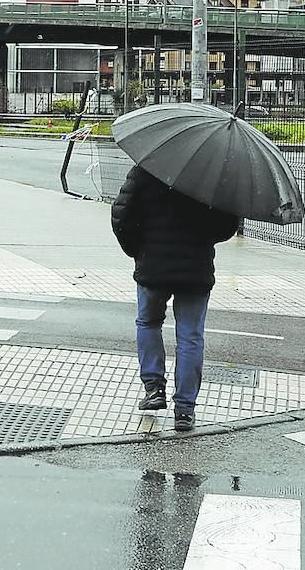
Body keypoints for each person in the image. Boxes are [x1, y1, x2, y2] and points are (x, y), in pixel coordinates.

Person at [110, 165, 239, 432]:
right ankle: (184, 409)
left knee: (148, 323)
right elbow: (228, 225)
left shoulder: (146, 170)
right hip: (195, 269)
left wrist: (138, 250)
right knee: (190, 336)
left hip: (152, 267)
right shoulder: (211, 174)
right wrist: (202, 239)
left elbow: (121, 214)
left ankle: (154, 389)